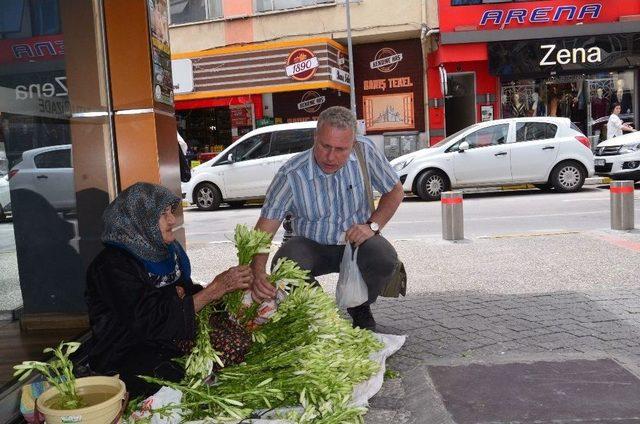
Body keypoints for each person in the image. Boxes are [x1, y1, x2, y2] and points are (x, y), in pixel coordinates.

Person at [85, 182, 252, 396]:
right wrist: (214, 289)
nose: (173, 220)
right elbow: (150, 320)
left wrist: (223, 300)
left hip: (168, 337)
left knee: (238, 342)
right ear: (140, 220)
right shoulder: (112, 266)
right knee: (179, 379)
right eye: (163, 215)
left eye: (171, 212)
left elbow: (186, 291)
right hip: (128, 349)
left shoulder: (162, 250)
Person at [249, 106, 404, 331]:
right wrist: (258, 272)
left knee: (385, 258)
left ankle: (359, 307)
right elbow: (264, 230)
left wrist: (372, 225)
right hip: (311, 246)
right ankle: (322, 315)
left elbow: (395, 191)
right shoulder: (291, 173)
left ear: (353, 144)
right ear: (315, 138)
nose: (331, 157)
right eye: (325, 146)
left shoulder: (366, 152)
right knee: (285, 264)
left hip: (355, 242)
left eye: (341, 149)